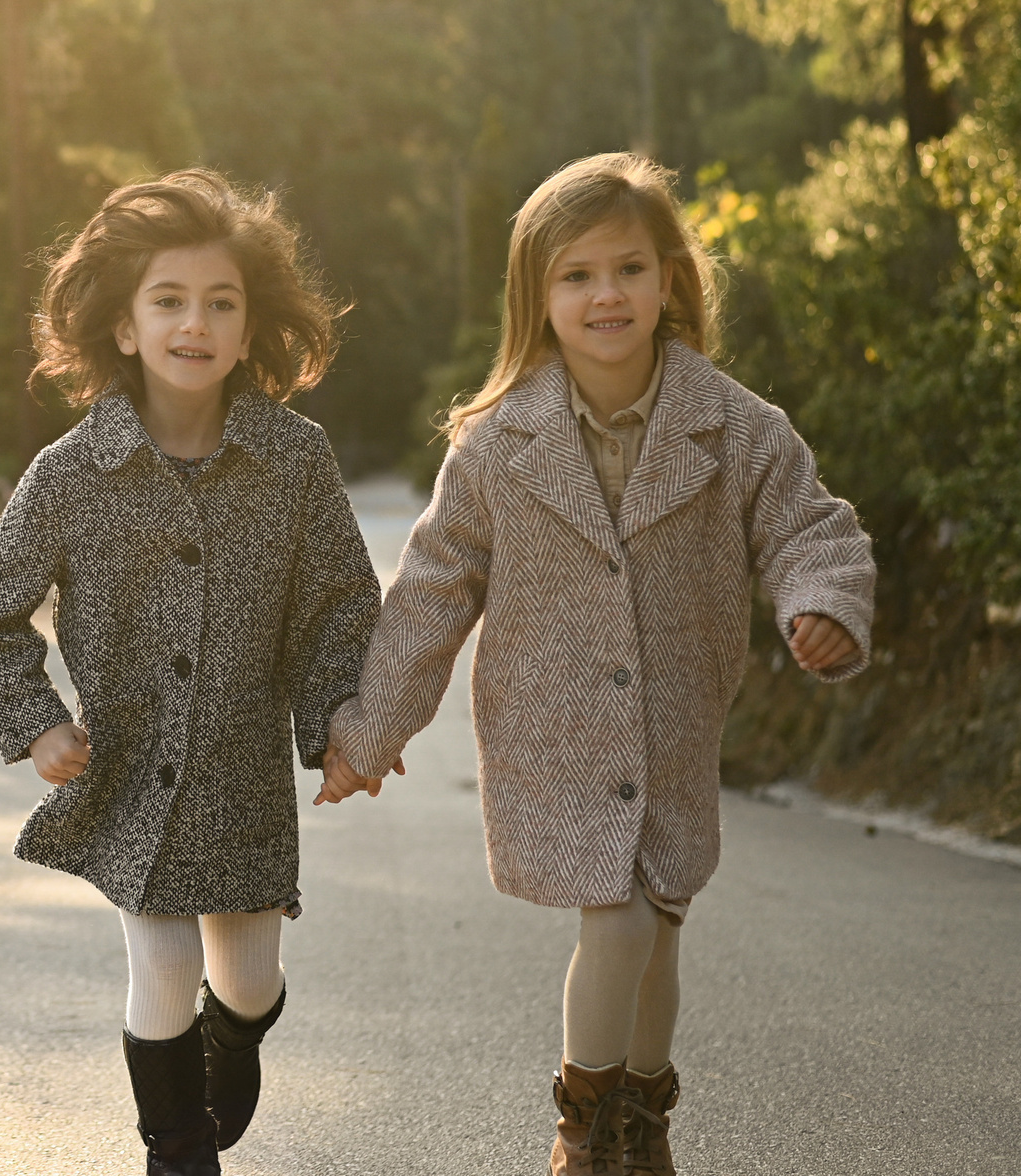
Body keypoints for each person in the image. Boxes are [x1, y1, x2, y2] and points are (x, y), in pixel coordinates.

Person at [322, 151, 874, 1176]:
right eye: (575, 275)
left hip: (673, 723)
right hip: (552, 729)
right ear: (538, 296)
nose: (604, 295)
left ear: (669, 279)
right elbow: (432, 589)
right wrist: (372, 727)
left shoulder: (734, 425)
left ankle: (642, 1121)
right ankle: (581, 1127)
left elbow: (809, 527)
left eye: (626, 268)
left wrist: (820, 602)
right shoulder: (496, 445)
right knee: (616, 916)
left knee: (658, 926)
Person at [0, 169, 389, 1176]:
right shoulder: (69, 473)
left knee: (244, 982)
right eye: (168, 300)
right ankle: (176, 1149)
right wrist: (37, 725)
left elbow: (338, 604)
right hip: (128, 779)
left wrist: (333, 721)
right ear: (124, 326)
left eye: (220, 303)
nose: (194, 323)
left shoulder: (294, 460)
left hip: (241, 785)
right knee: (160, 959)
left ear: (249, 329)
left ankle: (231, 1038)